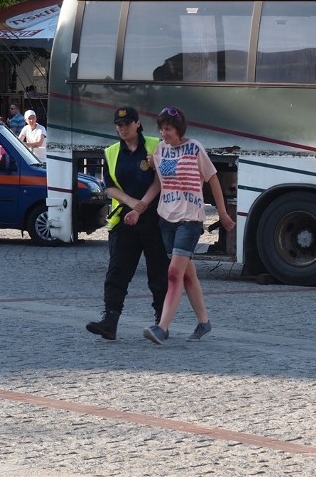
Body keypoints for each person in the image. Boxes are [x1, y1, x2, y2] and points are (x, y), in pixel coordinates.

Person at [142, 106, 235, 344]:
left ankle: (162, 328)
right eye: (161, 129)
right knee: (187, 275)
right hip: (167, 219)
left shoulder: (195, 148)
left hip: (190, 219)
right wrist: (139, 207)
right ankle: (204, 323)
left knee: (174, 273)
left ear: (179, 129)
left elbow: (212, 178)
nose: (164, 134)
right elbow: (158, 183)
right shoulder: (160, 149)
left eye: (169, 129)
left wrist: (222, 213)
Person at [86, 106, 169, 341]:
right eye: (118, 125)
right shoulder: (112, 152)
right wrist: (133, 203)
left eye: (126, 124)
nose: (122, 128)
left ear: (138, 123)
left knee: (159, 275)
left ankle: (161, 323)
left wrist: (142, 205)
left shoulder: (156, 146)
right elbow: (109, 185)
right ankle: (110, 321)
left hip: (156, 218)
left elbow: (164, 178)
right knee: (117, 272)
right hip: (125, 218)